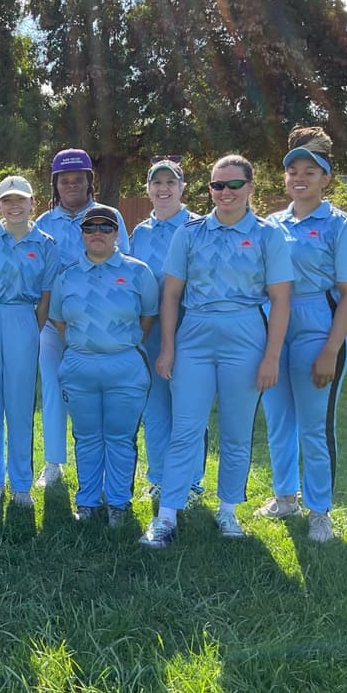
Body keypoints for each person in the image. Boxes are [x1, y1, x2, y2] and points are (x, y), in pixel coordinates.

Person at [140, 154, 293, 548]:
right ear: (209, 189)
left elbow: (280, 300)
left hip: (245, 334)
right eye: (217, 185)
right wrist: (168, 348)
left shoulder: (267, 235)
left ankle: (228, 510)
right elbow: (171, 294)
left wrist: (272, 357)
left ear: (250, 187)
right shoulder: (189, 234)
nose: (225, 192)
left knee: (237, 431)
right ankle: (167, 515)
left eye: (234, 184)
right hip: (195, 334)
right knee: (185, 428)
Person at [258, 128, 347, 543]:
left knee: (314, 426)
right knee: (278, 418)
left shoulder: (343, 226)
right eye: (292, 171)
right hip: (274, 325)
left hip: (320, 325)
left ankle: (320, 510)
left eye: (310, 171)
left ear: (326, 178)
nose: (299, 178)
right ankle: (286, 497)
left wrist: (331, 349)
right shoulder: (273, 224)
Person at [51, 206, 158, 525]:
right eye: (90, 228)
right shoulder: (67, 275)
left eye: (106, 227)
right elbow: (57, 319)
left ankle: (117, 503)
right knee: (86, 436)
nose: (97, 233)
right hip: (79, 366)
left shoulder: (139, 272)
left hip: (125, 367)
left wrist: (116, 344)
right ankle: (86, 501)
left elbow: (148, 316)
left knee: (120, 436)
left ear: (117, 234)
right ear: (81, 234)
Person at [33, 148, 130, 488]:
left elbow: (125, 271)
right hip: (53, 325)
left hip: (101, 329)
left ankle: (105, 466)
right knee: (54, 389)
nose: (71, 185)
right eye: (64, 180)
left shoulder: (109, 215)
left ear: (90, 182)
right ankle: (54, 463)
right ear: (55, 185)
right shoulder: (43, 224)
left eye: (78, 179)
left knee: (102, 394)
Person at [0, 175, 57, 508]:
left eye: (21, 199)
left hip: (23, 318)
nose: (15, 206)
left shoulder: (45, 244)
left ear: (33, 203)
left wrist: (30, 328)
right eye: (8, 200)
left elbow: (46, 297)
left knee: (19, 405)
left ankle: (20, 484)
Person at [129, 157, 205, 505]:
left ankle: (190, 483)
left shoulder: (197, 227)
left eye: (170, 183)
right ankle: (159, 478)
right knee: (156, 408)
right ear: (148, 188)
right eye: (157, 183)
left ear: (182, 188)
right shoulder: (140, 232)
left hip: (190, 328)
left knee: (189, 407)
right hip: (150, 330)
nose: (163, 189)